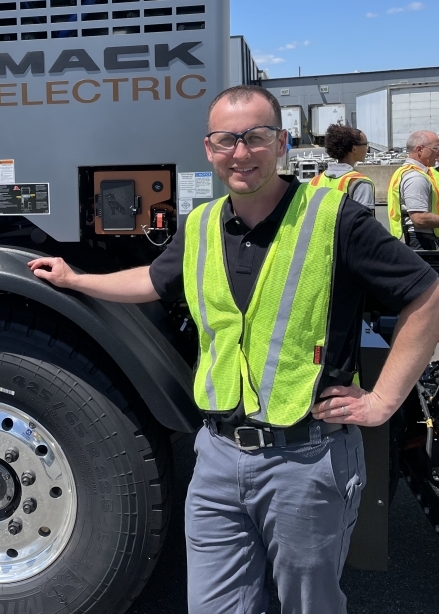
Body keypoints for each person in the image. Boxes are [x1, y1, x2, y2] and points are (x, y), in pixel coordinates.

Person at [28, 85, 439, 614]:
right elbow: (153, 281)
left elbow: (426, 294)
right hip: (218, 459)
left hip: (305, 460)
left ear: (282, 142)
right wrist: (78, 280)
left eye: (256, 137)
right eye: (227, 140)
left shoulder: (334, 218)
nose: (241, 153)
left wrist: (383, 402)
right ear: (209, 148)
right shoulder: (198, 225)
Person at [386, 130, 439, 249]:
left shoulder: (405, 171)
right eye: (435, 148)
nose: (438, 154)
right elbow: (419, 218)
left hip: (412, 239)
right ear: (420, 150)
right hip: (420, 241)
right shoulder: (416, 177)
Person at [310, 123, 374, 210]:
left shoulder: (314, 181)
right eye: (365, 144)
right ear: (354, 149)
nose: (367, 149)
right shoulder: (360, 183)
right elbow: (364, 222)